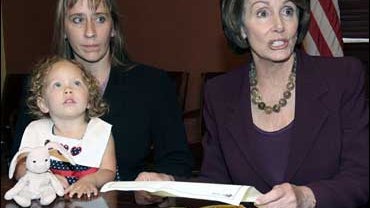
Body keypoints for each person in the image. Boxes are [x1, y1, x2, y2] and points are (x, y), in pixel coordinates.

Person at [134, 0, 369, 207]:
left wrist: (307, 197)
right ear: (240, 27)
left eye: (287, 10)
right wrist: (169, 188)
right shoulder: (220, 93)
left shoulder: (343, 78)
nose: (279, 25)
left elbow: (361, 177)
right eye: (262, 13)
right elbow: (217, 185)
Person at [12, 0, 193, 182]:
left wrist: (159, 182)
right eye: (77, 20)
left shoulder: (152, 83)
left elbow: (177, 160)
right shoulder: (41, 87)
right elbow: (19, 160)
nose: (90, 32)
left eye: (100, 19)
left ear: (113, 28)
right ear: (64, 31)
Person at [17, 56, 116, 198]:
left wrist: (90, 180)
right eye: (57, 85)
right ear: (43, 104)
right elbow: (19, 168)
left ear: (89, 100)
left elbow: (108, 171)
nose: (68, 89)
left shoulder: (101, 132)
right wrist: (45, 178)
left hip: (90, 201)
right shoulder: (35, 131)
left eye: (76, 83)